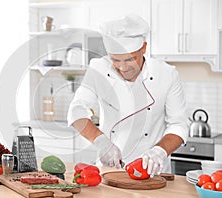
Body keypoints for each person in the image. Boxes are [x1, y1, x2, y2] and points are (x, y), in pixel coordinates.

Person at [67, 14, 188, 177]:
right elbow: (76, 110)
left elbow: (179, 124)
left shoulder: (166, 74)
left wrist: (160, 151)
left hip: (154, 173)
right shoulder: (98, 69)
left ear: (144, 48)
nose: (123, 67)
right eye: (116, 60)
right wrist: (101, 142)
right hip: (109, 170)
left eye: (130, 59)